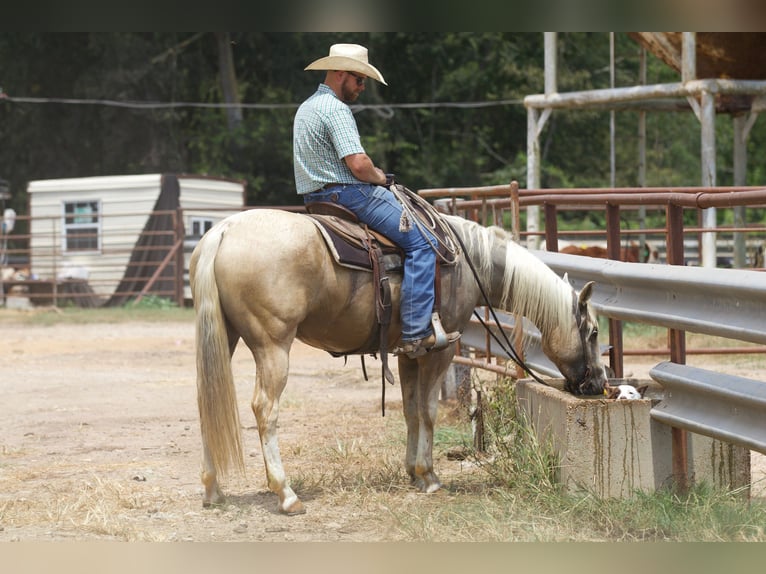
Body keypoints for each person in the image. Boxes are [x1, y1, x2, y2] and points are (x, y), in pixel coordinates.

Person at [293, 43, 459, 357]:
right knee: (424, 243)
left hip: (315, 198)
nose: (362, 87)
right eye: (359, 79)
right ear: (340, 73)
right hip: (349, 194)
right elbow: (358, 164)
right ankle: (414, 331)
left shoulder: (306, 108)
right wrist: (381, 177)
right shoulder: (335, 109)